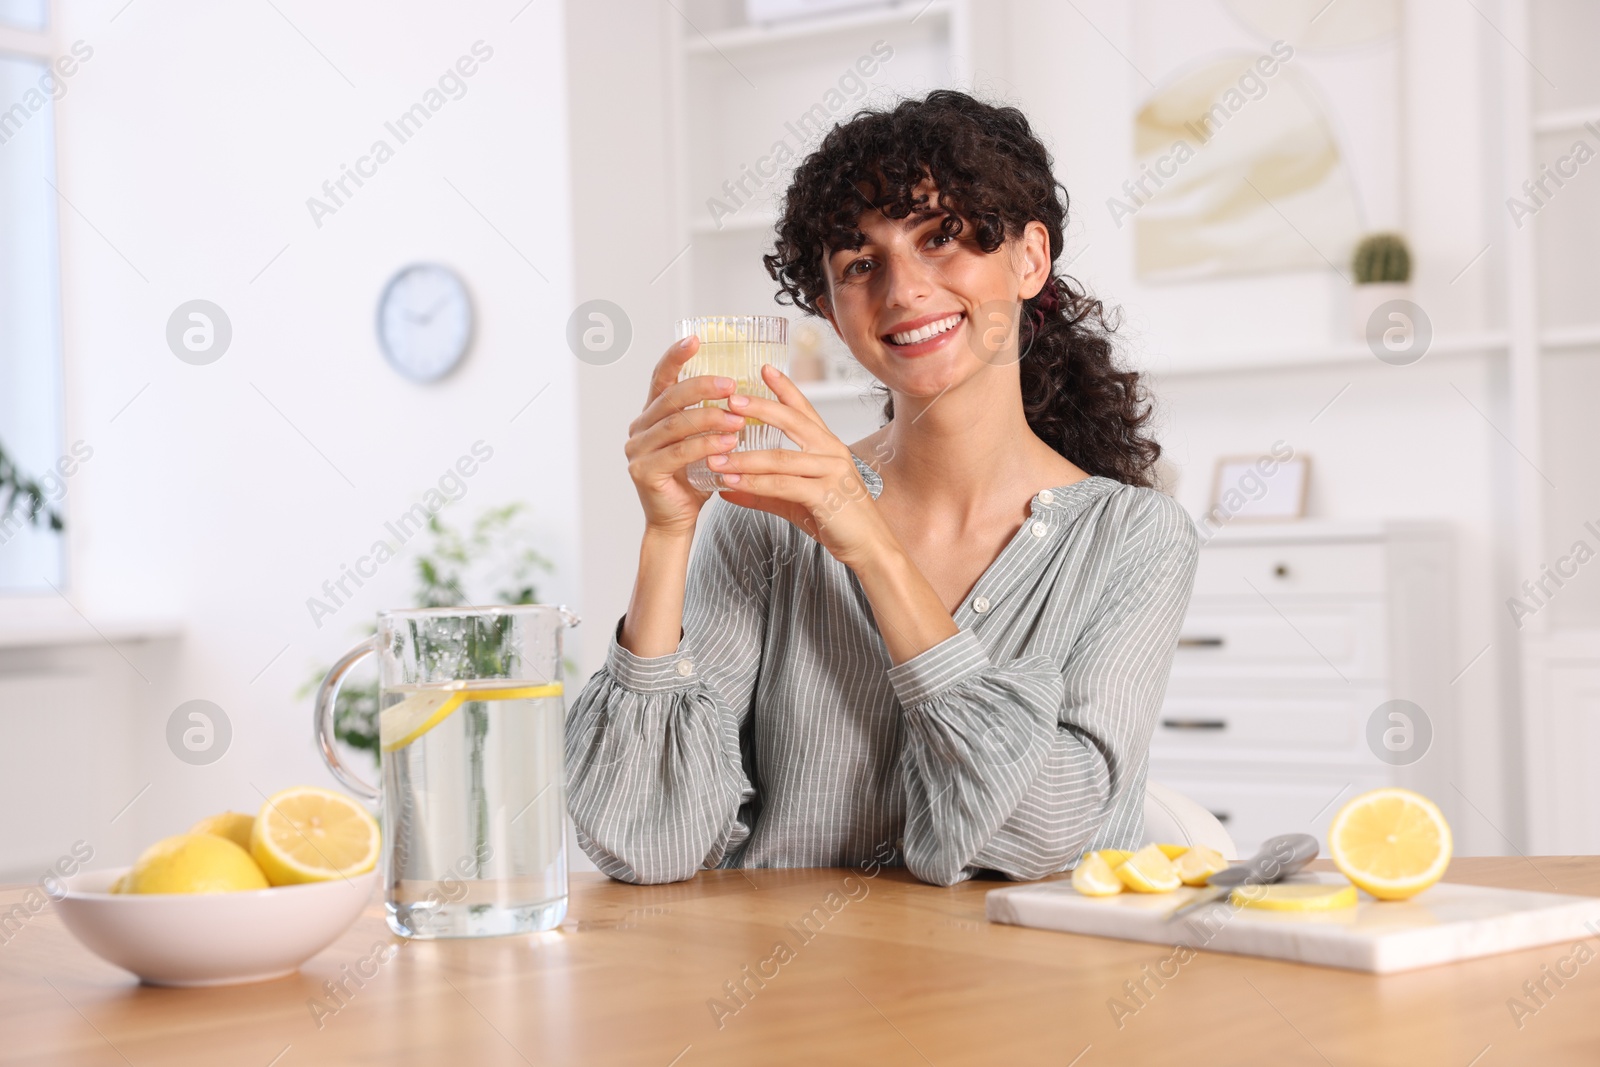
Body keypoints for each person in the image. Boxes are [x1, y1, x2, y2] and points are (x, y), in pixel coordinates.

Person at [565, 89, 1199, 887]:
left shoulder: (1135, 537)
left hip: (1019, 1000)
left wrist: (865, 540)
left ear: (1031, 258)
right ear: (832, 311)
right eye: (862, 264)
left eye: (943, 238)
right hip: (783, 997)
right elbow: (646, 843)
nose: (902, 291)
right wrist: (667, 533)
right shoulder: (766, 520)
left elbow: (1049, 834)